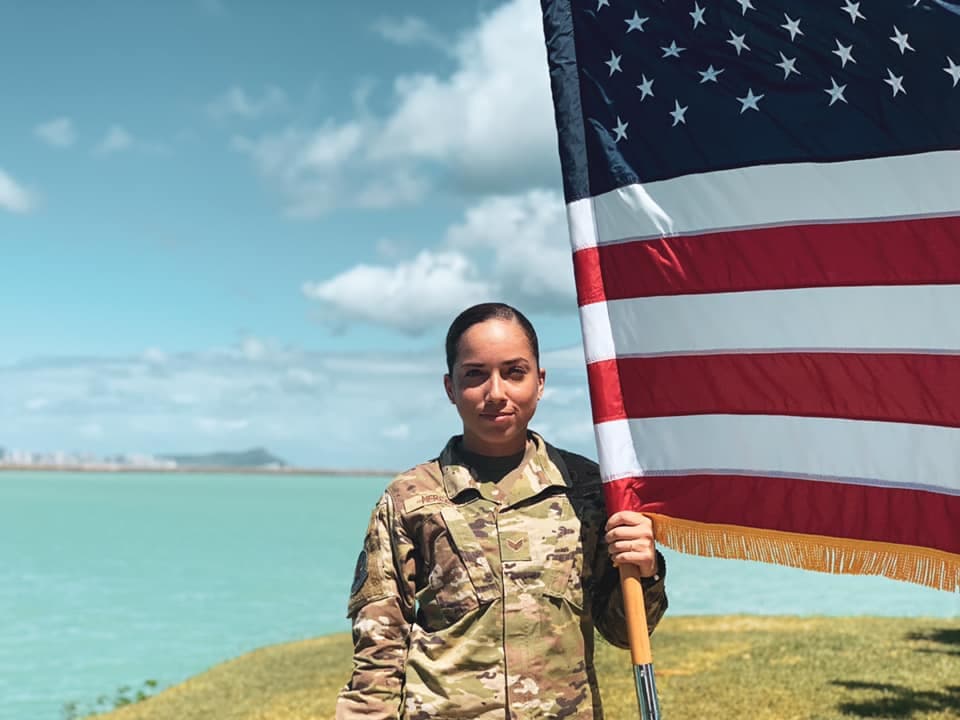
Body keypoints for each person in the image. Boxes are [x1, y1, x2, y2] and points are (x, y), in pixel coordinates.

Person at [336, 303, 667, 720]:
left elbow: (624, 631)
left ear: (540, 382)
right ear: (450, 388)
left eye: (514, 372)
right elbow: (378, 654)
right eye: (475, 375)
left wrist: (646, 567)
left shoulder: (589, 491)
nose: (496, 393)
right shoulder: (410, 498)